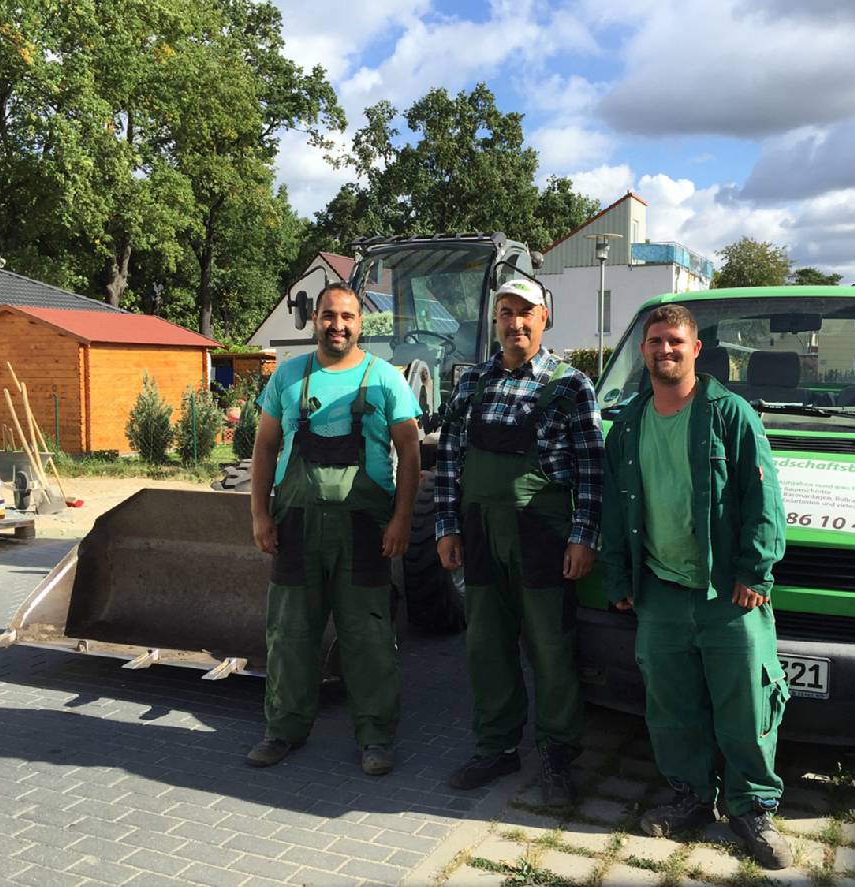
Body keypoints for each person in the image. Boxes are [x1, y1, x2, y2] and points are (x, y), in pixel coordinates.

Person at [601, 304, 792, 869]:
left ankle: (752, 808)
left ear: (696, 349)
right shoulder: (629, 423)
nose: (665, 350)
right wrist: (619, 575)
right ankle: (688, 797)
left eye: (675, 341)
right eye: (655, 341)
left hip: (726, 593)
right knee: (671, 703)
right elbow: (616, 507)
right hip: (659, 589)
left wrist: (755, 570)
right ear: (643, 350)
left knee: (746, 704)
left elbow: (765, 500)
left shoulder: (729, 414)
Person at [434, 278, 603, 807]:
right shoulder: (472, 382)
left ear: (545, 317)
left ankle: (556, 753)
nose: (515, 323)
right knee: (486, 644)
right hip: (481, 534)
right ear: (496, 319)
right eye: (506, 313)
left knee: (551, 648)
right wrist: (447, 527)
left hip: (543, 534)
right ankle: (497, 745)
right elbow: (449, 462)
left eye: (525, 313)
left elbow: (593, 470)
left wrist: (584, 536)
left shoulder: (571, 385)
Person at [246, 282, 421, 776]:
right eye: (328, 315)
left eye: (346, 316)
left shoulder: (386, 379)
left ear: (361, 323)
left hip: (365, 528)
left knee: (367, 635)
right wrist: (259, 513)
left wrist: (402, 519)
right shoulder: (288, 377)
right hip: (296, 524)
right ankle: (283, 729)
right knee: (289, 633)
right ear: (314, 320)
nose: (337, 325)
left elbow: (409, 452)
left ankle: (375, 736)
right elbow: (263, 448)